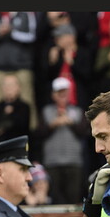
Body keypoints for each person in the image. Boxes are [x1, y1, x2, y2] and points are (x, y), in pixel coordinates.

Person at [37, 76, 89, 205]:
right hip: (52, 162)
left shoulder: (77, 111)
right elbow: (38, 134)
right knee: (55, 198)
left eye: (64, 92)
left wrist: (70, 122)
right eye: (59, 93)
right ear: (53, 95)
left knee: (73, 197)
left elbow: (85, 132)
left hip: (73, 161)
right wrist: (53, 125)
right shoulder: (46, 111)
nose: (62, 96)